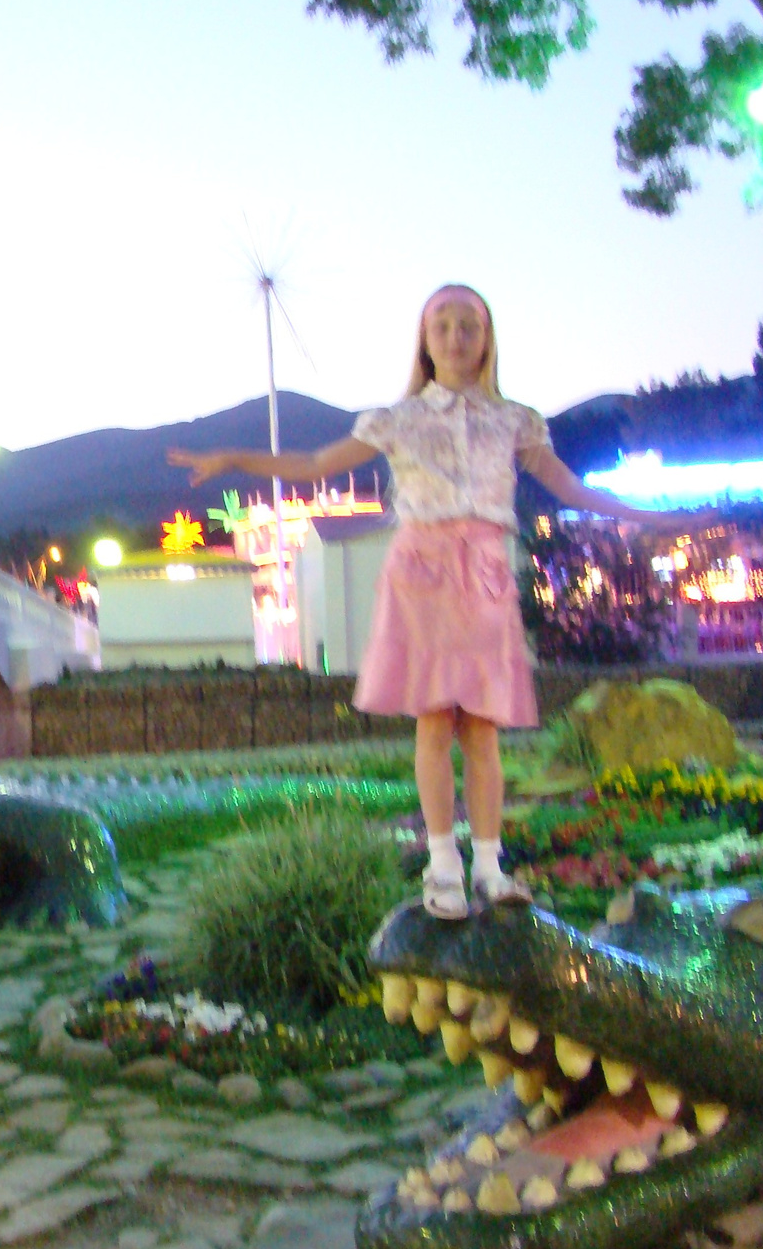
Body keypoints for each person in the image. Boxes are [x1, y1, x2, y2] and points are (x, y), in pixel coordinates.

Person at [170, 283, 699, 920]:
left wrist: (652, 517)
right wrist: (233, 458)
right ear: (424, 340)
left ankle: (490, 867)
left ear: (487, 337)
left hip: (484, 577)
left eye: (468, 324)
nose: (455, 336)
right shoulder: (397, 419)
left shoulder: (515, 421)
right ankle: (443, 865)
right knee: (434, 721)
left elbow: (572, 489)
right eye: (441, 324)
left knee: (482, 727)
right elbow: (314, 464)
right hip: (422, 575)